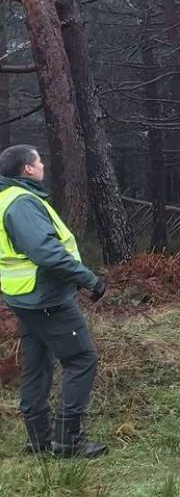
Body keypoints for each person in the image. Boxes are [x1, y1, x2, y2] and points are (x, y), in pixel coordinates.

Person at [0, 145, 108, 458]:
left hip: (22, 296)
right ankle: (68, 441)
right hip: (45, 296)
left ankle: (39, 439)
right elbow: (46, 252)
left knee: (36, 366)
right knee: (81, 359)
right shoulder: (22, 203)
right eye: (39, 160)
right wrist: (88, 278)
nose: (43, 164)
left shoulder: (6, 198)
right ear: (27, 170)